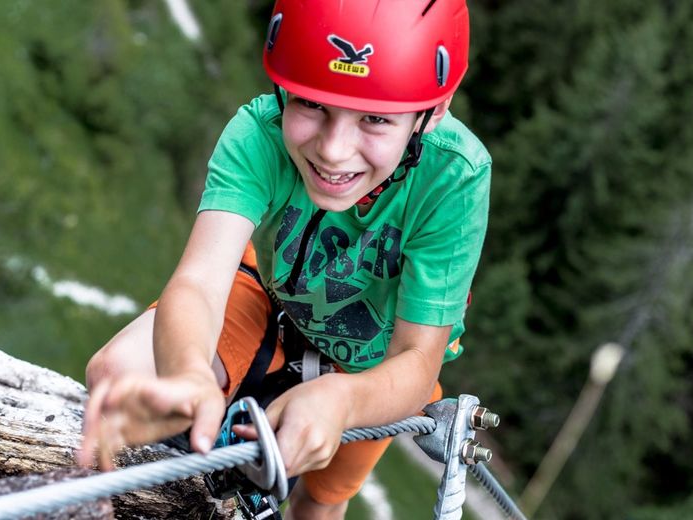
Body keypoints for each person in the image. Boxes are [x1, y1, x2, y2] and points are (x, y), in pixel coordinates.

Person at [78, 0, 490, 517]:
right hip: (272, 302)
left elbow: (417, 358)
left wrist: (343, 401)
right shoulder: (259, 132)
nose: (334, 150)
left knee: (319, 503)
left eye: (375, 119)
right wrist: (187, 373)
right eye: (311, 104)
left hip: (371, 367)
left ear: (435, 111)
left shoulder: (454, 177)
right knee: (117, 372)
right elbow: (200, 282)